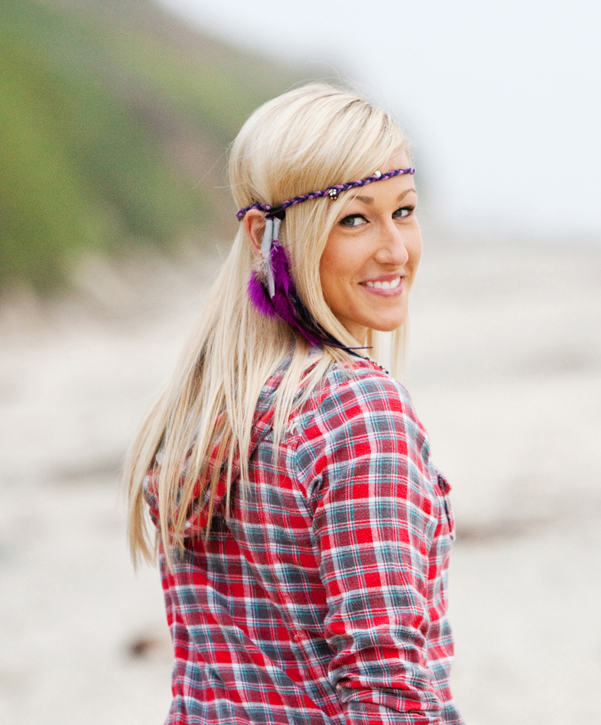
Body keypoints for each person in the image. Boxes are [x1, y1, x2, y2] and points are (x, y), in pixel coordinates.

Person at [121, 83, 462, 725]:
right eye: (354, 218)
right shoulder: (358, 410)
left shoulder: (204, 411)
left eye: (406, 210)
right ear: (264, 233)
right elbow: (385, 692)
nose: (395, 249)